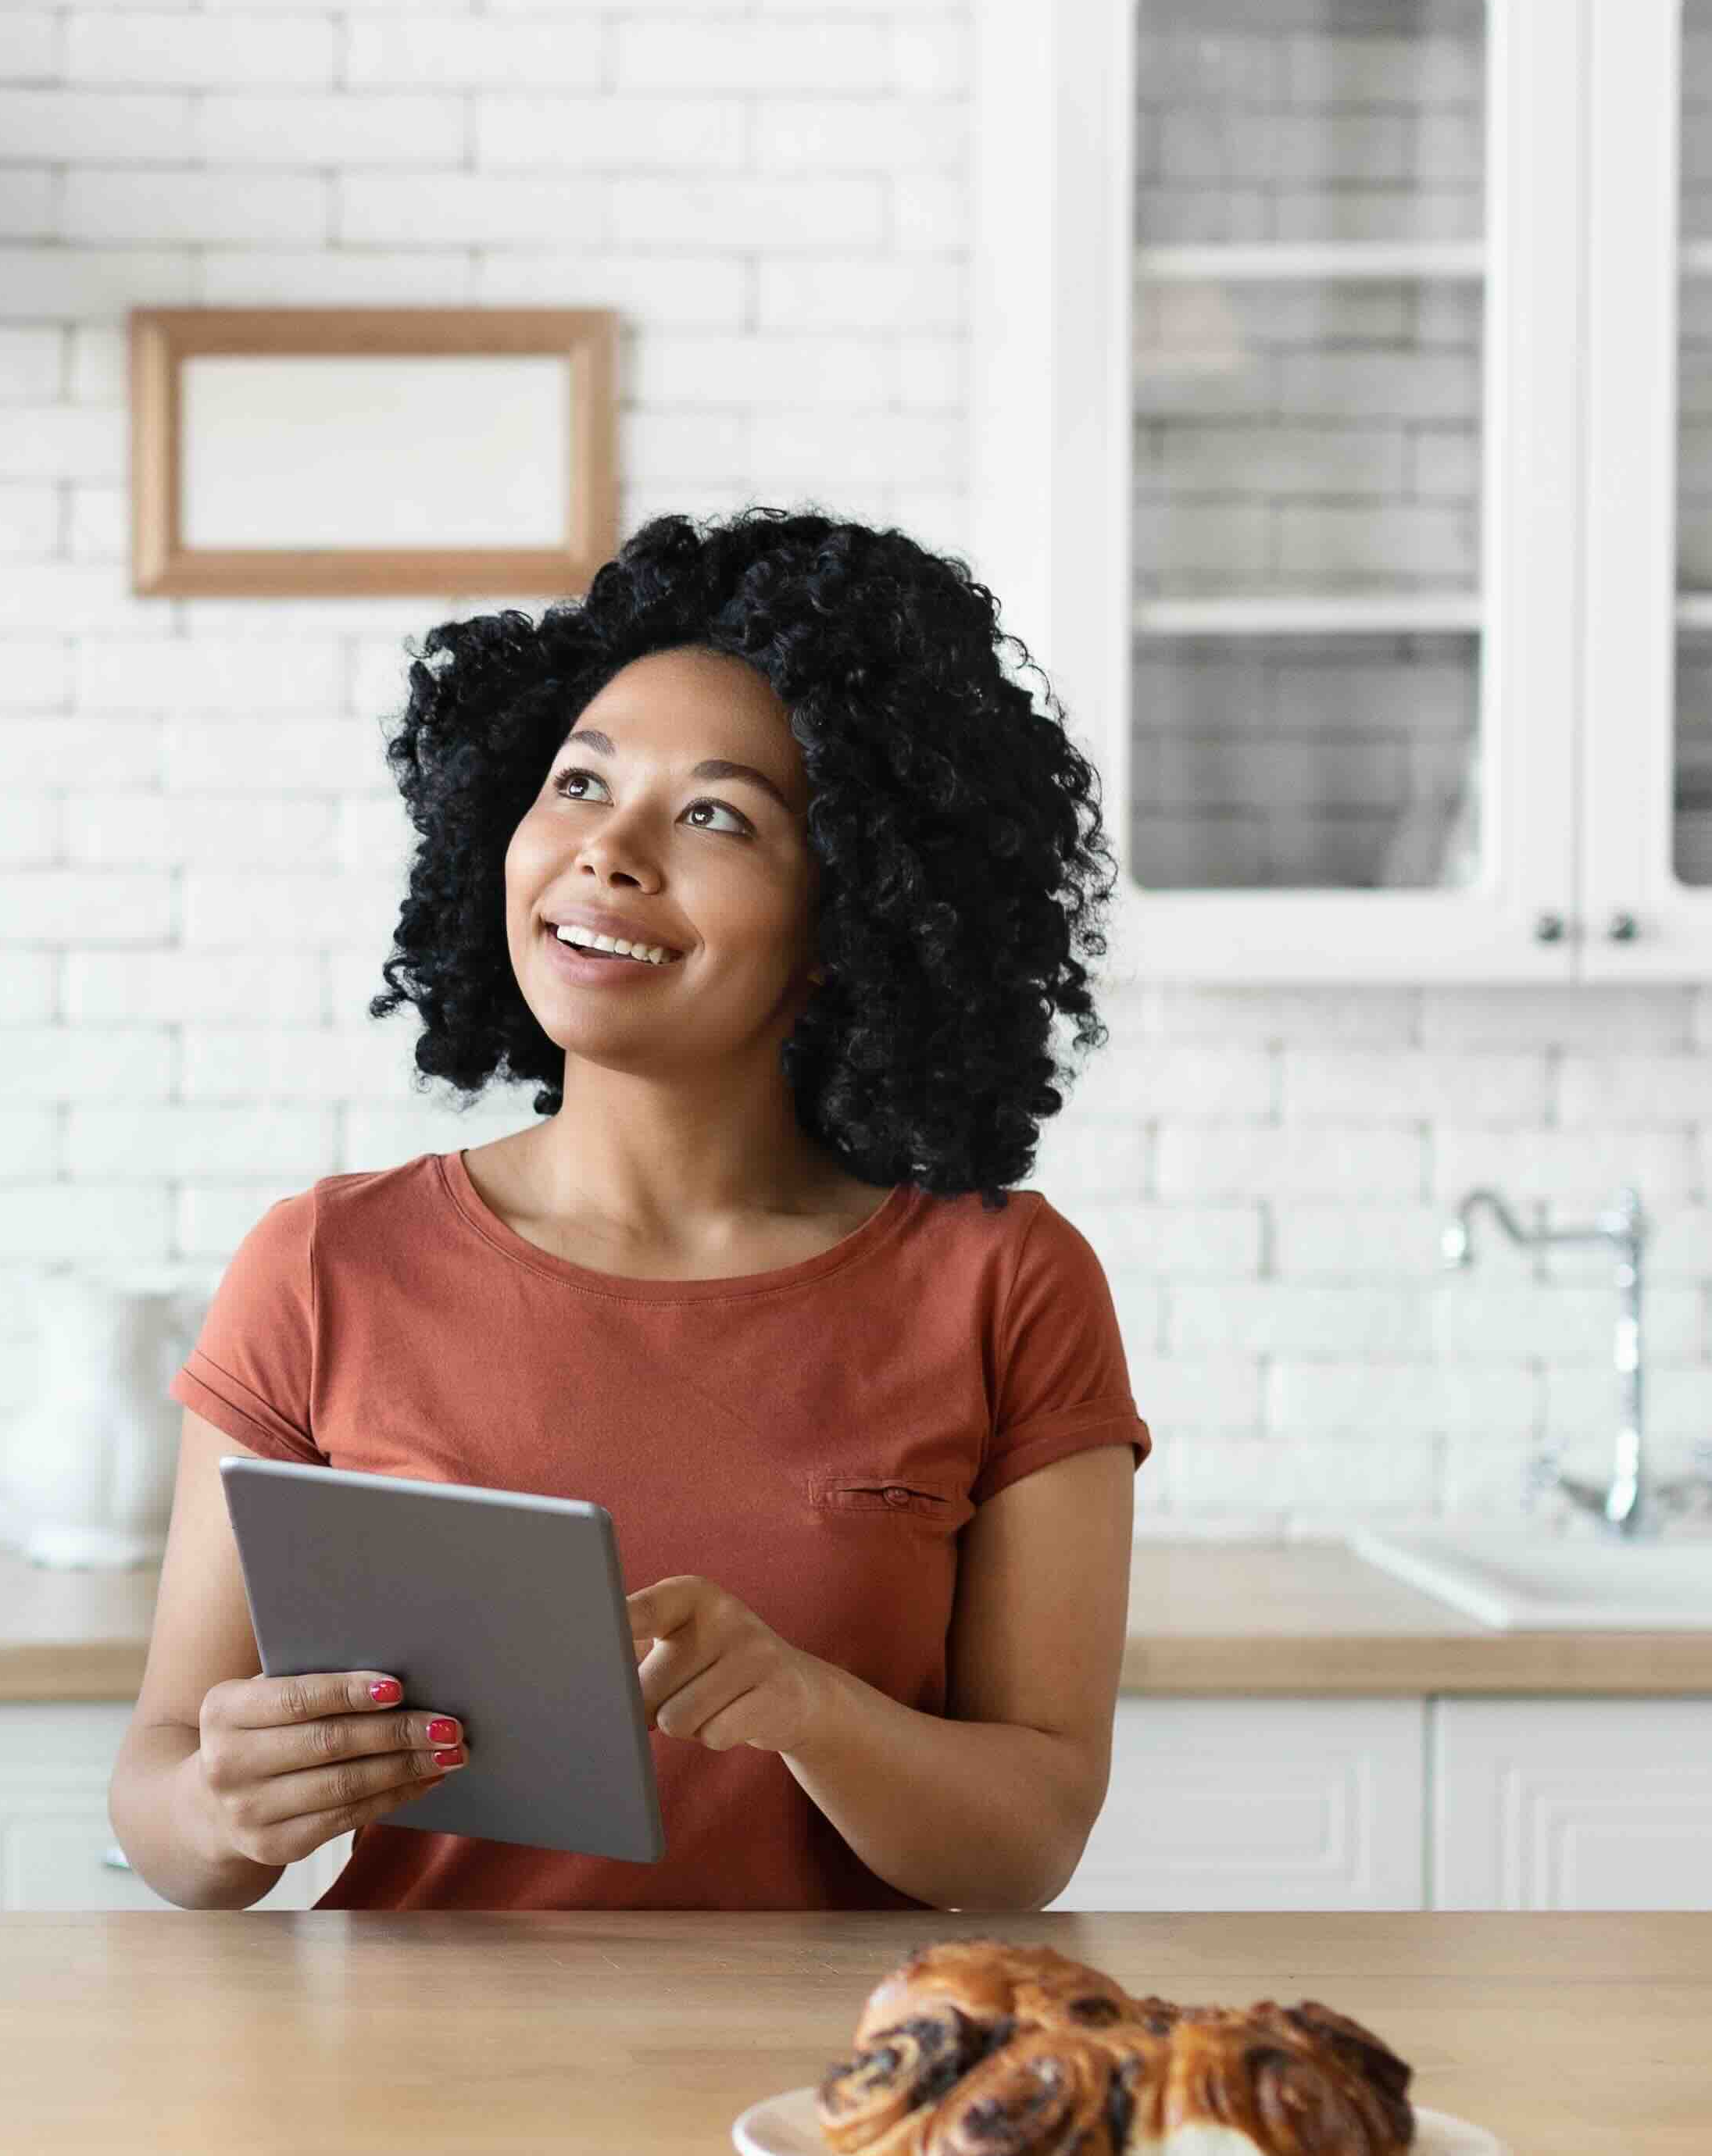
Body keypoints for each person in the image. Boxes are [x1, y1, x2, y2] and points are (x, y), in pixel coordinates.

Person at [109, 509, 1144, 1911]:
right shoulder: (324, 1266)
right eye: (580, 783)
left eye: (716, 814)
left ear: (855, 917)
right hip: (416, 2106)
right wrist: (223, 1800)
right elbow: (165, 1798)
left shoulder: (1005, 1284)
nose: (609, 851)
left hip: (831, 2112)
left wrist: (809, 1708)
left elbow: (1031, 1838)